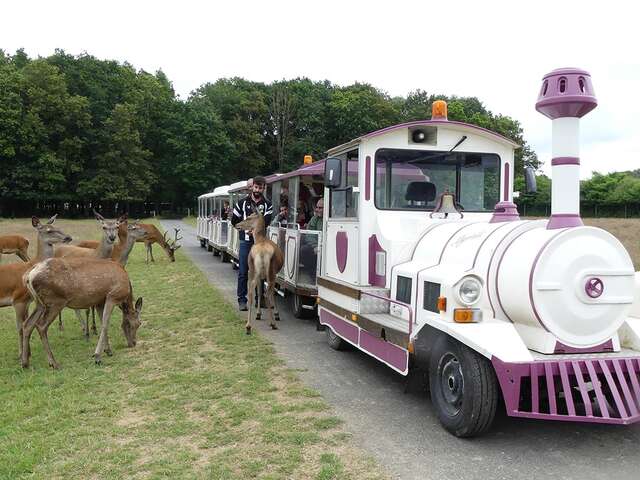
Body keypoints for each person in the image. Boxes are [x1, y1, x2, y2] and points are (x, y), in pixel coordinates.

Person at [231, 176, 273, 311]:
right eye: (256, 187)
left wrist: (255, 231)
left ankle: (259, 300)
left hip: (259, 243)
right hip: (245, 242)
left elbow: (266, 222)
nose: (258, 190)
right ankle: (242, 300)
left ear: (264, 188)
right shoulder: (242, 203)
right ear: (252, 186)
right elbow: (234, 220)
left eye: (261, 188)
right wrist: (244, 230)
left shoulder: (268, 204)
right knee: (243, 271)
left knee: (260, 272)